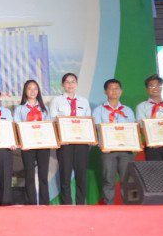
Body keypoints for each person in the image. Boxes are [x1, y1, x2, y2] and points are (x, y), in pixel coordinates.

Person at [93, 79, 136, 205]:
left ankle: (129, 207)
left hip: (126, 151)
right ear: (105, 92)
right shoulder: (98, 110)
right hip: (108, 151)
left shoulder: (128, 110)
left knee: (127, 180)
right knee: (108, 180)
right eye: (111, 88)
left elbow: (133, 130)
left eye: (117, 88)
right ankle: (109, 207)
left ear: (121, 91)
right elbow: (96, 130)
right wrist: (101, 144)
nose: (114, 91)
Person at [55, 73, 92, 205]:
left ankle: (81, 204)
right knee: (65, 176)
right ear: (63, 84)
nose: (70, 84)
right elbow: (53, 121)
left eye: (73, 81)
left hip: (81, 143)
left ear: (76, 84)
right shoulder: (57, 101)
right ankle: (66, 205)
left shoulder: (84, 101)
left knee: (81, 176)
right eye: (67, 82)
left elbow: (88, 122)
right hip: (65, 144)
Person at [14, 79, 52, 205]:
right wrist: (21, 143)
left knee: (43, 175)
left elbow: (49, 128)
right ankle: (31, 203)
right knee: (29, 175)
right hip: (27, 146)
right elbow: (16, 128)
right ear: (25, 91)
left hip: (43, 146)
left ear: (38, 91)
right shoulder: (19, 109)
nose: (32, 91)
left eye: (35, 88)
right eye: (29, 88)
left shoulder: (45, 109)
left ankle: (45, 203)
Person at [136, 74, 163, 161]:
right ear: (147, 89)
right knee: (155, 169)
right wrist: (152, 141)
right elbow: (141, 127)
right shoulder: (141, 106)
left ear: (161, 87)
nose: (155, 88)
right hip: (153, 146)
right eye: (151, 86)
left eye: (157, 85)